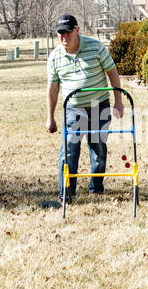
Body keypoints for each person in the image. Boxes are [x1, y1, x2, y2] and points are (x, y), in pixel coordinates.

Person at [46, 14, 124, 202]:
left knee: (97, 147)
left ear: (77, 30)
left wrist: (118, 102)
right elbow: (53, 87)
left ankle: (96, 187)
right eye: (60, 33)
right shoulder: (55, 56)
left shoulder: (95, 47)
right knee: (69, 150)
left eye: (67, 32)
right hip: (73, 109)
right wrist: (50, 116)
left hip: (100, 106)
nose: (64, 36)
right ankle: (66, 194)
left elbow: (112, 72)